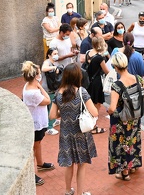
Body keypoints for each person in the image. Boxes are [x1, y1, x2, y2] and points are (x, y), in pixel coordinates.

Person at [50, 63, 98, 195]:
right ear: (78, 76)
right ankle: (80, 193)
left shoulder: (58, 94)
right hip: (80, 134)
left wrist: (64, 113)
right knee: (81, 165)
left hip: (65, 134)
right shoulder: (82, 92)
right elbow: (95, 112)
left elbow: (52, 115)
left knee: (69, 164)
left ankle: (67, 190)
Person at [107, 52, 144, 181]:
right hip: (135, 117)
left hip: (121, 120)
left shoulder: (116, 85)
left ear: (115, 67)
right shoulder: (138, 78)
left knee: (120, 145)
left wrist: (109, 111)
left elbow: (112, 107)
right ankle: (132, 165)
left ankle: (124, 172)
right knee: (133, 141)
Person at [21, 61, 55, 187]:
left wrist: (38, 86)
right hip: (35, 123)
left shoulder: (29, 86)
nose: (41, 75)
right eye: (39, 74)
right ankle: (32, 173)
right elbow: (47, 100)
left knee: (38, 144)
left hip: (38, 121)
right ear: (35, 76)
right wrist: (40, 87)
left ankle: (40, 164)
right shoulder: (33, 92)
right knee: (34, 147)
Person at [86, 37, 110, 113]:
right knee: (97, 103)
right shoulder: (100, 58)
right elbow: (107, 71)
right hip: (97, 81)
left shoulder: (88, 53)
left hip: (89, 79)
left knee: (90, 101)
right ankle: (94, 120)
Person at [41, 48, 61, 136]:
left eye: (57, 53)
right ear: (49, 55)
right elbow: (43, 68)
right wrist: (53, 67)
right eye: (54, 53)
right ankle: (49, 127)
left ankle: (53, 121)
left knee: (51, 107)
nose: (56, 55)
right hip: (48, 89)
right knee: (52, 108)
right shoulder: (47, 62)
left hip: (53, 88)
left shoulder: (53, 63)